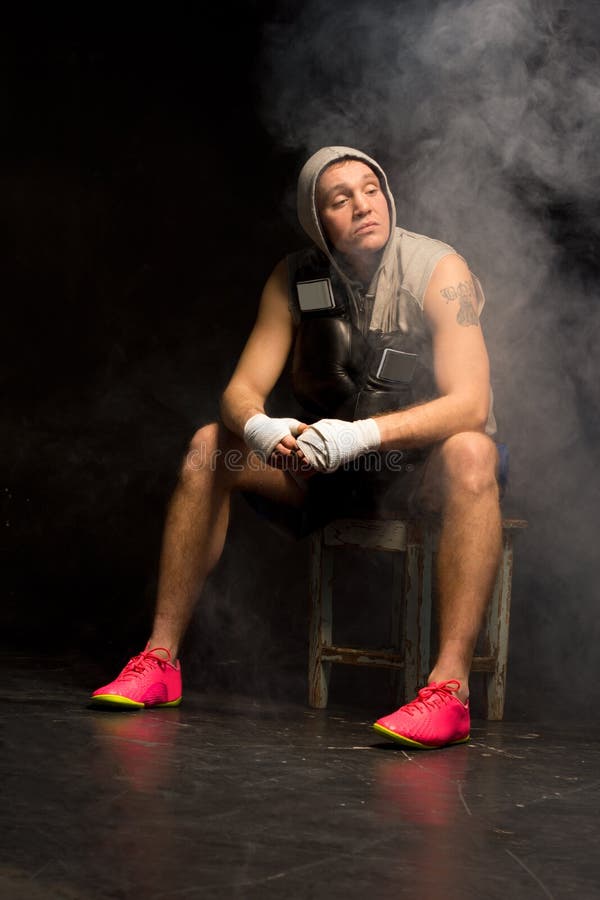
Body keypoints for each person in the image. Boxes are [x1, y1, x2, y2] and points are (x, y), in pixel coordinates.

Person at [91, 146, 503, 750]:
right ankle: (159, 660)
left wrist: (360, 435)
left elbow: (471, 402)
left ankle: (448, 693)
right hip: (330, 466)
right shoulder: (296, 277)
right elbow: (240, 391)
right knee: (212, 448)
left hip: (420, 468)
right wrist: (261, 429)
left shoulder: (439, 270)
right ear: (318, 220)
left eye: (371, 189)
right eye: (342, 200)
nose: (365, 206)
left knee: (472, 450)